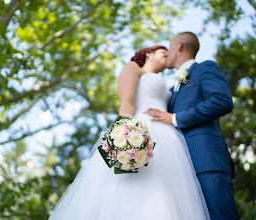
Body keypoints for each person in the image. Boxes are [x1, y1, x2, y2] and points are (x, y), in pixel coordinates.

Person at [48, 45, 210, 219]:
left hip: (169, 140)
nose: (168, 56)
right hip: (140, 130)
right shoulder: (133, 68)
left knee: (165, 192)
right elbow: (127, 101)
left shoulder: (167, 83)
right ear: (149, 54)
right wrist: (124, 135)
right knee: (130, 190)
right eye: (164, 53)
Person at [145, 32, 239, 219]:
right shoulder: (171, 91)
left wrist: (174, 118)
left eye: (169, 47)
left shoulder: (205, 68)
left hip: (207, 161)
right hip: (179, 168)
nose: (167, 53)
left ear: (179, 46)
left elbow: (222, 101)